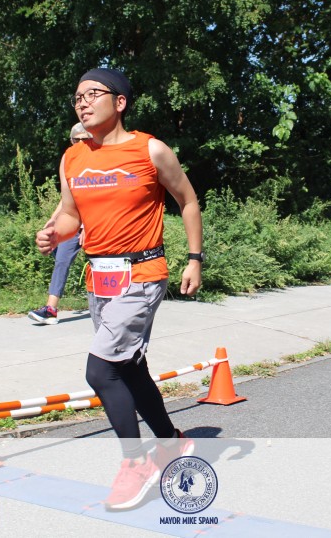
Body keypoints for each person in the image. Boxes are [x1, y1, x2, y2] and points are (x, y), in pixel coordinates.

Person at [35, 67, 204, 511]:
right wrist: (54, 233)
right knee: (128, 368)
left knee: (101, 371)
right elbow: (70, 215)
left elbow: (187, 200)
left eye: (93, 94)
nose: (83, 103)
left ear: (120, 102)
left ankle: (137, 462)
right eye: (78, 98)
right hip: (100, 277)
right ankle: (170, 442)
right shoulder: (72, 158)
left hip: (142, 273)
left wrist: (194, 258)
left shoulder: (150, 150)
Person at [27, 123, 91, 325]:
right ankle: (51, 309)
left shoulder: (98, 160)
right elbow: (67, 197)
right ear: (71, 141)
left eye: (84, 139)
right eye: (76, 140)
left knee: (102, 262)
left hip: (94, 223)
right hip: (72, 223)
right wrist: (54, 218)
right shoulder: (69, 160)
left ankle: (118, 301)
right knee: (61, 259)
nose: (80, 143)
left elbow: (99, 198)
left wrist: (87, 227)